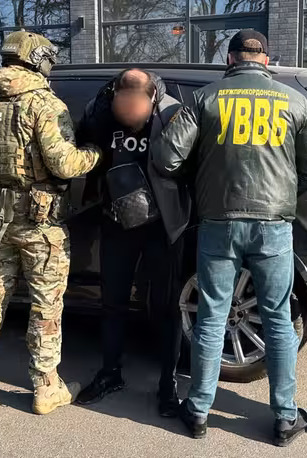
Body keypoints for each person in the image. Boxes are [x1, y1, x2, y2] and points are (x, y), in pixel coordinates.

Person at [151, 31, 307, 444]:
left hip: (218, 222)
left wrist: (201, 184)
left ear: (229, 59)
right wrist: (284, 195)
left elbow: (166, 158)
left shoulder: (205, 98)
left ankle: (197, 411)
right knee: (278, 318)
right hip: (274, 225)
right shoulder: (294, 101)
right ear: (266, 60)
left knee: (211, 316)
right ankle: (285, 417)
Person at [0, 30, 101, 415]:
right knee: (45, 304)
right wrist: (94, 154)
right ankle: (45, 387)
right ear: (39, 60)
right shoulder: (44, 104)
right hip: (40, 222)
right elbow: (64, 165)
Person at [73, 69, 191, 416]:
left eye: (135, 116)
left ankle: (168, 385)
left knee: (166, 307)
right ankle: (110, 373)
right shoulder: (102, 112)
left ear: (152, 99)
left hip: (164, 226)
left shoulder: (174, 114)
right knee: (112, 303)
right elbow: (82, 142)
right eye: (123, 114)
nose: (129, 123)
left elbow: (193, 166)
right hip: (117, 222)